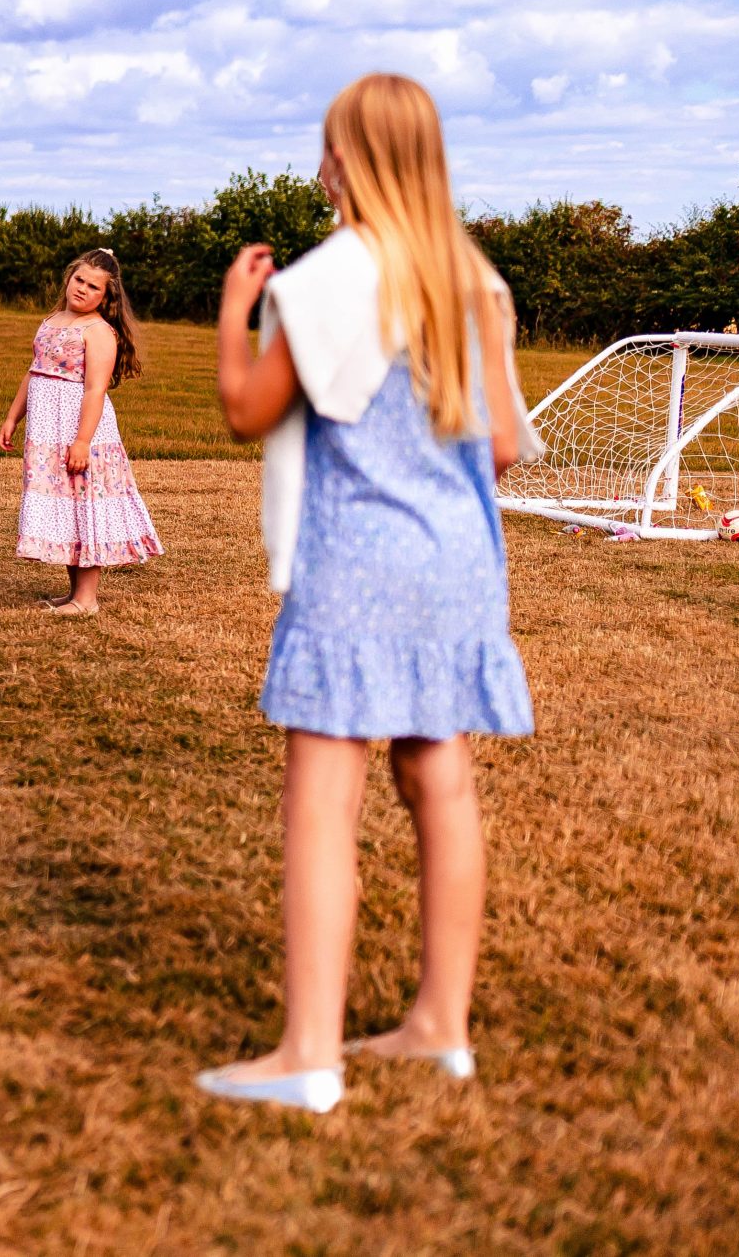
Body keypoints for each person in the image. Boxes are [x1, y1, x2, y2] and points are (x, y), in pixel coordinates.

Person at [195, 73, 540, 1114]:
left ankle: (308, 1052)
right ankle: (440, 1024)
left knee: (323, 801)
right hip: (457, 567)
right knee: (439, 779)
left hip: (357, 566)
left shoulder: (329, 278)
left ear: (348, 159)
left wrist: (231, 318)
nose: (320, 164)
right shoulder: (468, 277)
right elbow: (508, 446)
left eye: (327, 146)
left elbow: (248, 412)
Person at [0, 247, 162, 612]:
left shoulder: (99, 331)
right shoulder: (52, 319)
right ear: (69, 277)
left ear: (106, 297)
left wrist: (83, 441)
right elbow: (34, 371)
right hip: (47, 430)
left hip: (80, 429)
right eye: (79, 280)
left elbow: (94, 389)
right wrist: (13, 416)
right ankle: (73, 593)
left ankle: (87, 599)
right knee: (66, 505)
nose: (83, 289)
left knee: (85, 504)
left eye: (93, 287)